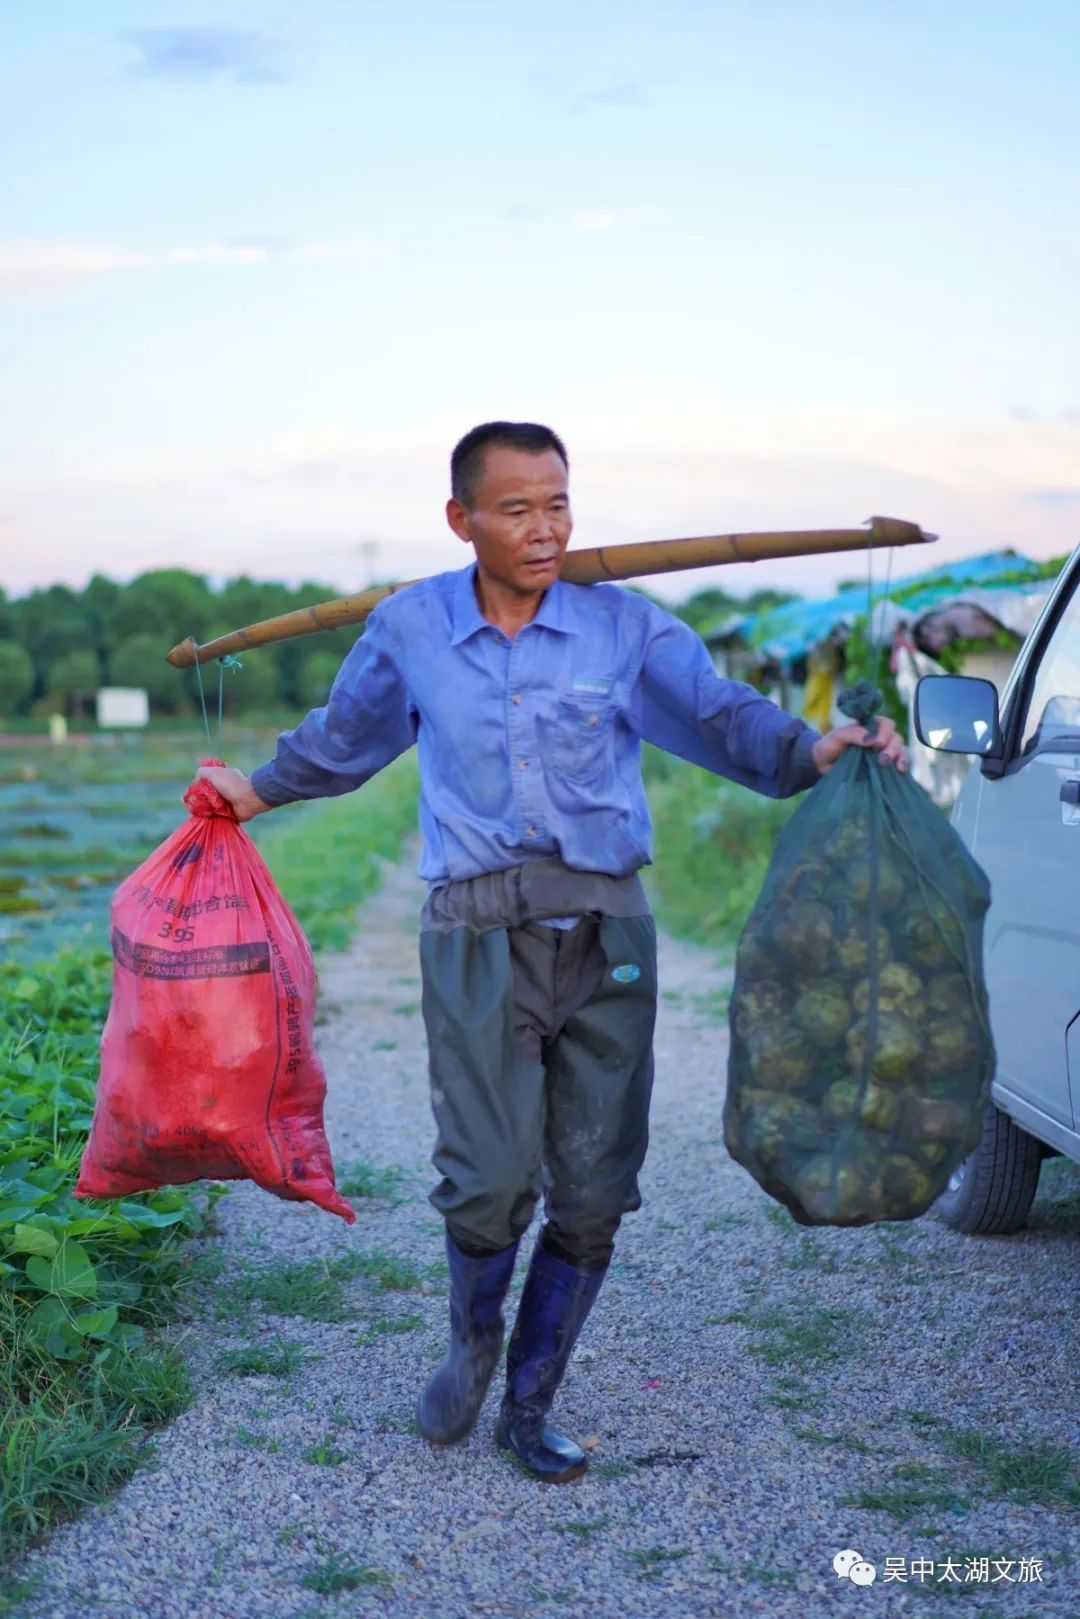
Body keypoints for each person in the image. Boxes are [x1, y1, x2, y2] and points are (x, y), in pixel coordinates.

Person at [198, 421, 908, 1485]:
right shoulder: (411, 628)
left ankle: (532, 1400)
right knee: (487, 1180)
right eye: (518, 507)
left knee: (592, 1186)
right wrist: (250, 791)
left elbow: (723, 721)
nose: (545, 528)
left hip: (606, 932)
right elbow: (341, 739)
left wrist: (818, 748)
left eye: (559, 504)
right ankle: (472, 1344)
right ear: (462, 520)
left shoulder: (623, 627)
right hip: (476, 935)